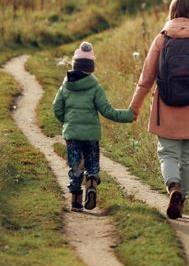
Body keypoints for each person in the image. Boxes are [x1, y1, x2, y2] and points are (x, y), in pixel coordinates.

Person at [129, 0, 189, 219]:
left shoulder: (162, 38)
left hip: (166, 108)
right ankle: (182, 200)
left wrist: (135, 107)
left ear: (171, 12)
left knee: (168, 154)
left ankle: (174, 189)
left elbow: (146, 77)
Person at [53, 41, 135, 212]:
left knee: (75, 166)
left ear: (75, 65)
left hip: (72, 135)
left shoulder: (65, 86)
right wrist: (129, 115)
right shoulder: (95, 86)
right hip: (91, 136)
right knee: (92, 164)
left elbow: (57, 108)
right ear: (91, 68)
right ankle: (91, 182)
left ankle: (76, 201)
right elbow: (107, 110)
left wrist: (66, 122)